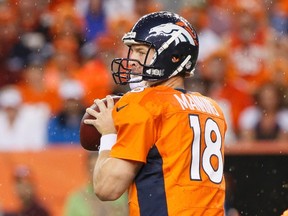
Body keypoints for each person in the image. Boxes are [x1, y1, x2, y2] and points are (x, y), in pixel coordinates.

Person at [84, 11, 227, 215]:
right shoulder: (213, 109)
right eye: (132, 51)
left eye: (141, 52)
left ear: (173, 56)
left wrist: (108, 135)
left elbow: (107, 188)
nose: (132, 60)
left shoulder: (144, 103)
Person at [63, 152, 128, 216]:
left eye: (100, 170)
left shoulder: (121, 194)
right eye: (92, 169)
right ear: (86, 169)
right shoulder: (76, 199)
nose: (96, 174)